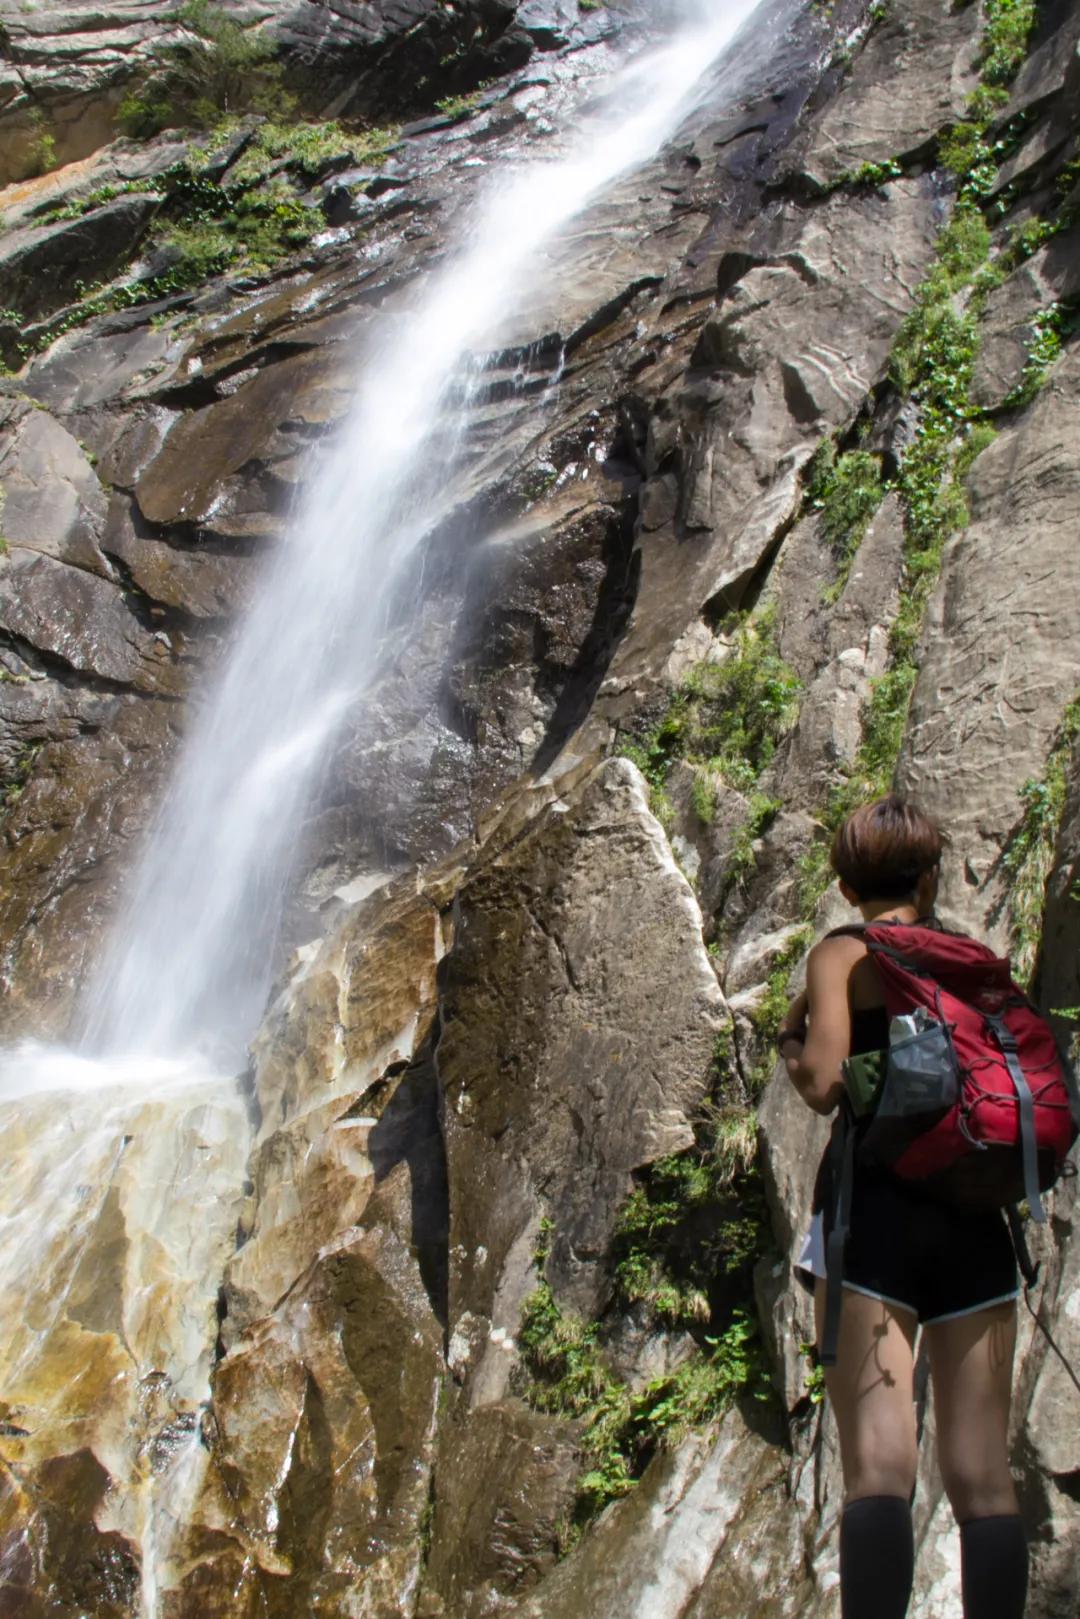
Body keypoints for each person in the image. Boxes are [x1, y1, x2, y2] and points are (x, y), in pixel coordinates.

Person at [777, 794, 1028, 1619]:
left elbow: (821, 1085)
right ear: (930, 875)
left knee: (880, 1468)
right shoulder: (970, 955)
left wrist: (789, 1040)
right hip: (977, 1221)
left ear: (846, 886)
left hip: (877, 1218)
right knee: (985, 1477)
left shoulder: (843, 953)